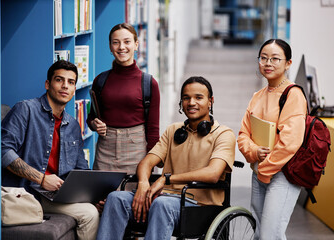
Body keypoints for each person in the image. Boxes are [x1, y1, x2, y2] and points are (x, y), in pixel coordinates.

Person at [96, 76, 236, 240]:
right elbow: (147, 162)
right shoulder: (174, 130)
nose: (191, 103)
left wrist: (166, 179)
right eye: (186, 98)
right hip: (163, 198)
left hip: (199, 206)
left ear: (210, 101)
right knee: (116, 199)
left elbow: (213, 174)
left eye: (198, 97)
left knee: (161, 205)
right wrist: (142, 184)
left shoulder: (224, 134)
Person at [1, 60, 99, 240]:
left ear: (74, 89)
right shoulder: (25, 110)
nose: (65, 86)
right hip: (27, 192)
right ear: (48, 84)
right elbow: (3, 151)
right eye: (59, 80)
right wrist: (42, 178)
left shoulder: (73, 125)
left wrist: (93, 194)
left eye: (71, 82)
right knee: (89, 213)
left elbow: (81, 168)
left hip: (56, 194)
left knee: (99, 206)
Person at [237, 39, 307, 240]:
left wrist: (264, 167)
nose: (268, 63)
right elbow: (243, 135)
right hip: (259, 171)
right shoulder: (257, 96)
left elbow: (290, 143)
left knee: (270, 234)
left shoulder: (293, 95)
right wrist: (254, 153)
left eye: (275, 59)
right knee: (261, 234)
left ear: (288, 63)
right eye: (264, 58)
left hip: (282, 174)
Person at [87, 23, 160, 175]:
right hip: (105, 150)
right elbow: (91, 118)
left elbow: (153, 130)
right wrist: (95, 124)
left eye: (127, 42)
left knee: (133, 197)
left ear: (136, 44)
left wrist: (150, 164)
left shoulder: (148, 83)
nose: (121, 47)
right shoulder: (100, 81)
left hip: (137, 151)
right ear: (110, 46)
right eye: (116, 42)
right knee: (101, 198)